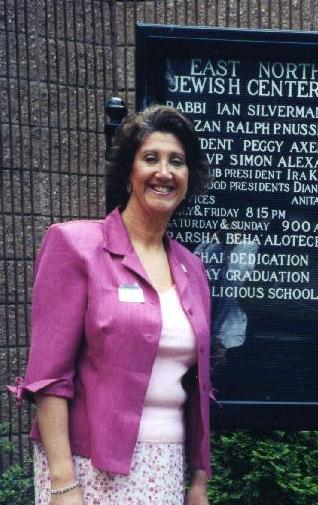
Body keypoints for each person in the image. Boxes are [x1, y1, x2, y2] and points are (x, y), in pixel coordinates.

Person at [9, 105, 213, 505]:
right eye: (150, 158)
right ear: (128, 172)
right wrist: (64, 485)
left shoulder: (193, 268)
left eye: (177, 161)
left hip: (167, 466)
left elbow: (199, 387)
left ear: (189, 178)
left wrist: (199, 483)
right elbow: (49, 379)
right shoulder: (76, 247)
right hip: (89, 469)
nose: (164, 172)